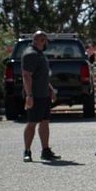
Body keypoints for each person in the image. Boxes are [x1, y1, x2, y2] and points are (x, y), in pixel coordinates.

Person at [21, 31, 61, 162]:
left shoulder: (40, 54)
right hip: (35, 95)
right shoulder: (30, 54)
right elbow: (26, 75)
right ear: (36, 40)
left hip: (44, 94)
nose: (46, 43)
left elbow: (42, 76)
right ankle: (27, 151)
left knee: (45, 122)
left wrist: (51, 90)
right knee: (32, 122)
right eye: (43, 40)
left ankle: (46, 150)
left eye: (46, 40)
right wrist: (29, 95)